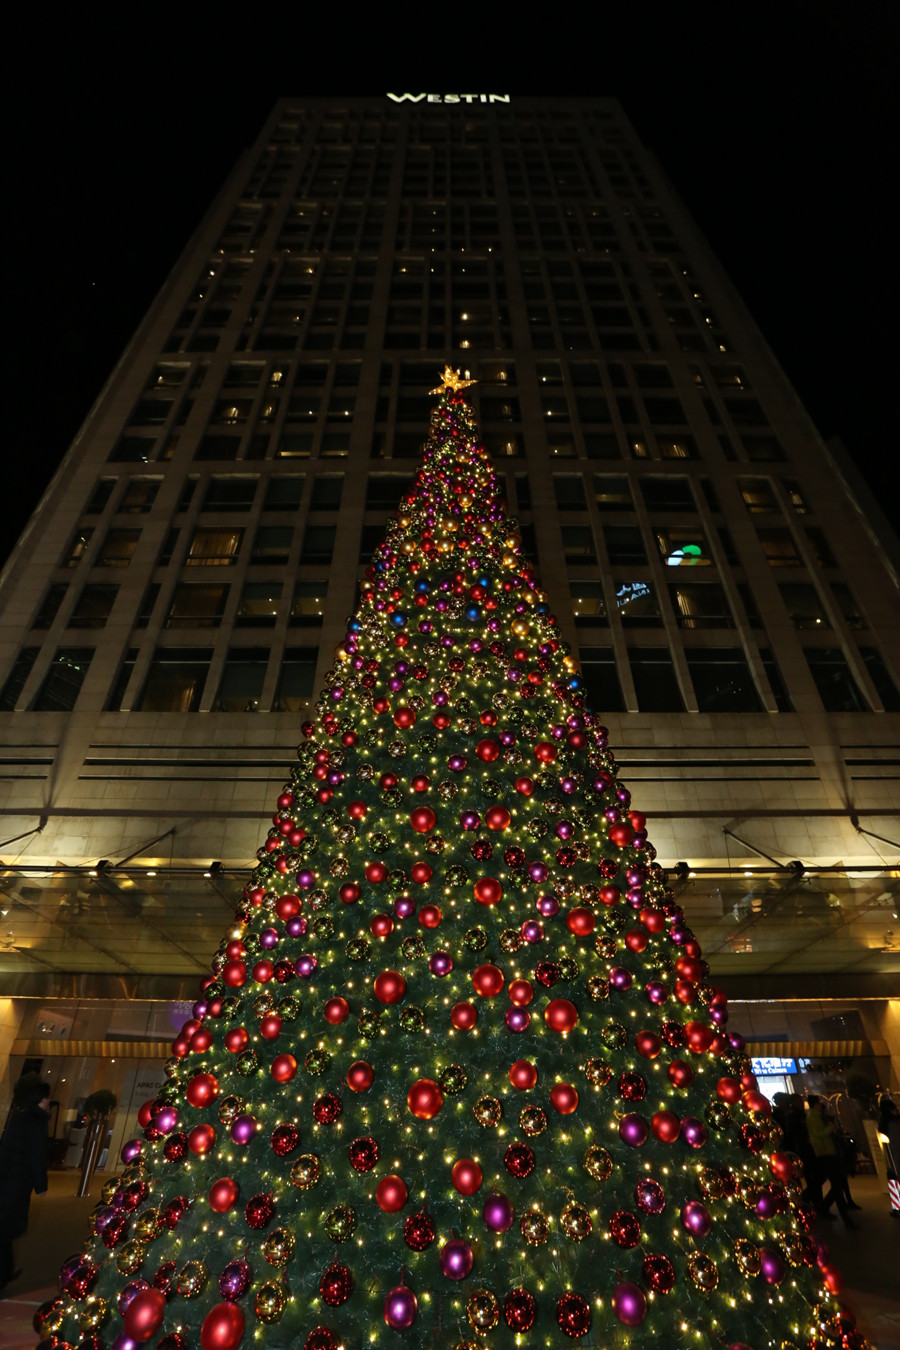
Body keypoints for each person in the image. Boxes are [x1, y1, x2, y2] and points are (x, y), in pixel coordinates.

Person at [0, 1079, 50, 1295]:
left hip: (6, 1179)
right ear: (43, 1099)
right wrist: (41, 1185)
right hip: (17, 1183)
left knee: (4, 1231)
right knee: (5, 1232)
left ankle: (5, 1272)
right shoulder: (37, 1123)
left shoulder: (19, 1118)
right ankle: (3, 1275)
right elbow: (36, 1155)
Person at [806, 1095, 859, 1229]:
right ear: (815, 1104)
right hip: (825, 1153)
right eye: (819, 1102)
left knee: (836, 1181)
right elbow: (817, 1134)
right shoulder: (813, 1117)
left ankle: (824, 1207)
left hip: (828, 1152)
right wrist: (831, 1128)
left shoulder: (817, 1116)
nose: (821, 1104)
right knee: (837, 1182)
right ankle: (841, 1215)